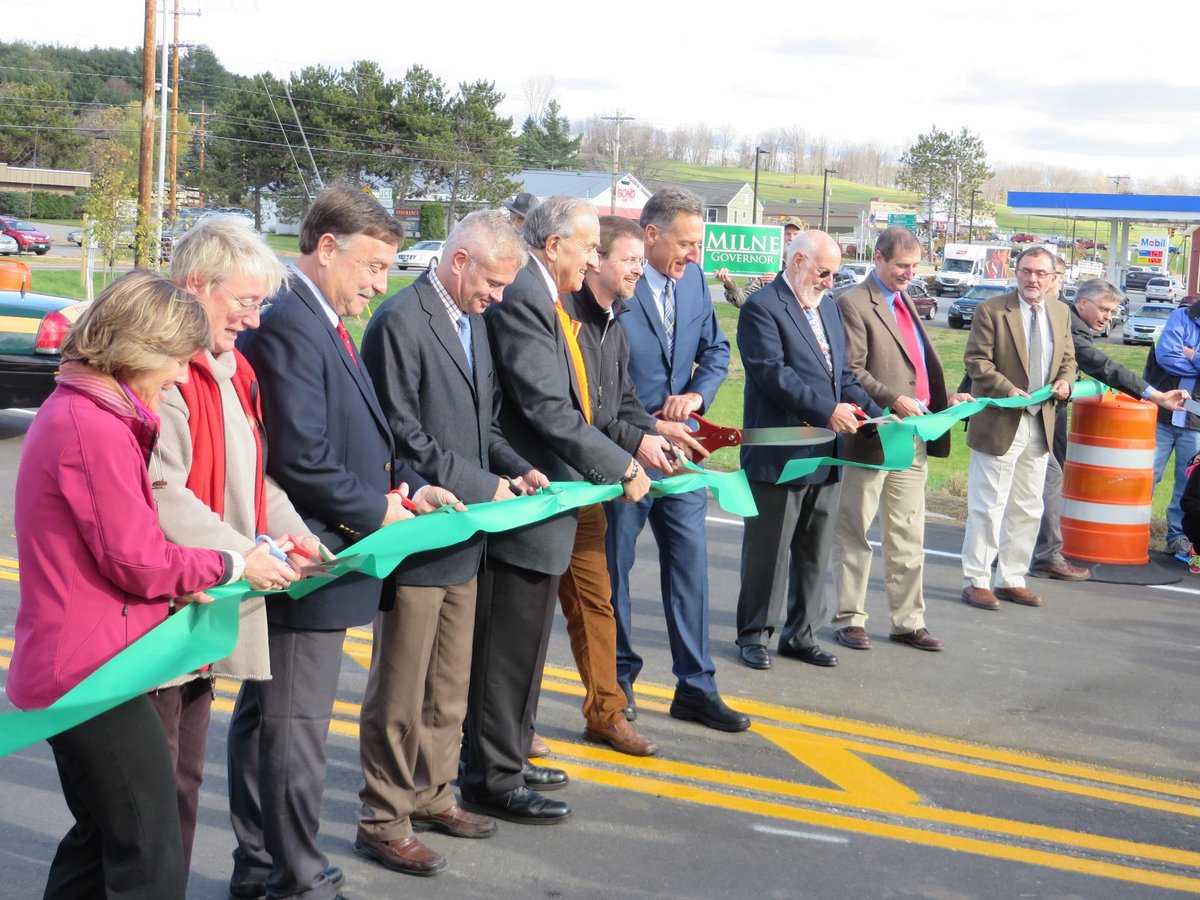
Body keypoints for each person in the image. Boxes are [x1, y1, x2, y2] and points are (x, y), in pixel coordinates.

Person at [7, 270, 293, 900]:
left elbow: (119, 551)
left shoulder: (88, 412)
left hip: (86, 662)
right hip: (90, 673)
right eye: (173, 362)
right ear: (137, 348)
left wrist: (181, 580)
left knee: (103, 839)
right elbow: (136, 559)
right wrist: (227, 566)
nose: (176, 378)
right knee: (150, 850)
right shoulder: (94, 426)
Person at [231, 185, 455, 900]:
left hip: (327, 549)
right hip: (312, 560)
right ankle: (298, 878)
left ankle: (261, 864)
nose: (378, 282)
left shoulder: (318, 316)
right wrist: (375, 513)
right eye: (372, 265)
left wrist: (404, 493)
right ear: (327, 247)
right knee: (293, 732)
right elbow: (299, 456)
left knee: (268, 721)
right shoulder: (292, 320)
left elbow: (349, 441)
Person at [354, 210, 542, 877]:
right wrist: (481, 482)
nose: (498, 297)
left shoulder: (476, 324)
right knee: (400, 691)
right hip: (419, 533)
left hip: (465, 534)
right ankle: (383, 816)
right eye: (491, 281)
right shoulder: (400, 323)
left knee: (448, 687)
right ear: (458, 261)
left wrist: (513, 468)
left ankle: (433, 794)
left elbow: (483, 422)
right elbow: (399, 433)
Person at [459, 196, 650, 826]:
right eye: (589, 247)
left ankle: (506, 755)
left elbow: (590, 404)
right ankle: (493, 776)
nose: (594, 258)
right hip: (527, 501)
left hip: (553, 500)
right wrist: (620, 464)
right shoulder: (527, 302)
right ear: (552, 246)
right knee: (506, 649)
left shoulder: (551, 301)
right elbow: (545, 408)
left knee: (525, 646)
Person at [150, 214, 323, 883]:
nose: (253, 319)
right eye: (244, 303)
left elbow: (253, 480)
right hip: (168, 607)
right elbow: (163, 492)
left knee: (183, 784)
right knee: (155, 796)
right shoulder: (167, 373)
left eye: (259, 304)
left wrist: (291, 532)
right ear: (196, 286)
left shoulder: (233, 368)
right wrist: (240, 556)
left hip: (209, 598)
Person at [559, 215, 705, 756]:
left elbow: (618, 407)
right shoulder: (560, 319)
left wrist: (657, 432)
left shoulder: (611, 325)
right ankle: (506, 729)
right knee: (516, 622)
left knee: (597, 606)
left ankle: (607, 712)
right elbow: (565, 414)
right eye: (630, 261)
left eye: (641, 264)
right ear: (594, 259)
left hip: (588, 491)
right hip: (546, 487)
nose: (639, 273)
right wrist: (633, 452)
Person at [606, 188, 744, 732]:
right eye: (685, 243)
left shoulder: (695, 290)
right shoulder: (619, 286)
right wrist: (646, 424)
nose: (694, 255)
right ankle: (618, 682)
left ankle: (696, 685)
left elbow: (716, 351)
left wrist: (697, 397)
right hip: (624, 450)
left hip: (683, 453)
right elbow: (600, 377)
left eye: (699, 244)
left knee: (689, 569)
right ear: (652, 236)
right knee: (614, 569)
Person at [735, 230, 881, 670]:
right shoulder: (763, 308)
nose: (828, 282)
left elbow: (844, 379)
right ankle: (755, 635)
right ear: (797, 261)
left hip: (828, 453)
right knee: (770, 553)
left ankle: (801, 635)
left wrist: (882, 411)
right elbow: (773, 376)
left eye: (834, 274)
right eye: (823, 271)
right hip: (781, 454)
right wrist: (827, 411)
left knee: (815, 552)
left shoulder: (830, 310)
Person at [831, 226, 969, 653]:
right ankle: (850, 618)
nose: (909, 274)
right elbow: (851, 370)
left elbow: (915, 365)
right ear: (878, 259)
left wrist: (946, 400)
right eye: (901, 266)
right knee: (855, 530)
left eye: (915, 266)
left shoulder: (905, 298)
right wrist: (894, 400)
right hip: (874, 437)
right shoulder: (852, 303)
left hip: (914, 437)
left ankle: (908, 622)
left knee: (908, 534)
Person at [1032, 278, 1188, 577]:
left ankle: (1033, 552)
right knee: (1046, 482)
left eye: (1112, 311)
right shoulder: (1071, 326)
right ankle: (1045, 555)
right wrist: (1154, 394)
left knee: (1044, 481)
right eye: (1103, 309)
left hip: (1049, 412)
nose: (1108, 317)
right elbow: (1103, 365)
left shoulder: (1072, 322)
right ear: (1082, 303)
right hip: (1037, 414)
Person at [961, 245, 1076, 611]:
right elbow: (976, 361)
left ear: (1053, 277)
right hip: (999, 420)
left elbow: (1069, 360)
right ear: (1017, 271)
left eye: (1041, 273)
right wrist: (1007, 389)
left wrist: (1066, 383)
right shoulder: (992, 310)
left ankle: (1011, 578)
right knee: (988, 505)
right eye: (1026, 271)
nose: (1032, 279)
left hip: (1041, 422)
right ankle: (977, 580)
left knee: (1028, 505)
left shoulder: (1060, 312)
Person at [1144, 295, 1200, 561]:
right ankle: (1132, 527)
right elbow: (1167, 356)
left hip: (1196, 421)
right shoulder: (1182, 316)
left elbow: (1179, 356)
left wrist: (1191, 352)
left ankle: (1178, 537)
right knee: (1146, 474)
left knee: (1188, 483)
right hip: (1163, 415)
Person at [715, 217, 803, 307]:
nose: (791, 238)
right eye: (787, 234)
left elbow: (807, 297)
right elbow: (743, 301)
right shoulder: (766, 264)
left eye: (795, 234)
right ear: (779, 236)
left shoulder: (807, 263)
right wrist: (729, 283)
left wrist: (780, 281)